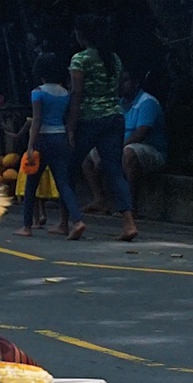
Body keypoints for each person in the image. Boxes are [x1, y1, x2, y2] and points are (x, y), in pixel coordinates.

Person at [68, 14, 137, 242]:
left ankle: (71, 220)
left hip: (89, 118)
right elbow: (115, 88)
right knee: (114, 170)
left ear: (82, 35)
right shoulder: (113, 58)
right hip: (114, 117)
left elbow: (77, 94)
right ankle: (128, 223)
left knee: (69, 166)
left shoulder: (80, 60)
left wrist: (70, 126)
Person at [20, 53, 83, 240]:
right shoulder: (65, 93)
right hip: (61, 138)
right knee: (63, 183)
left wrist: (30, 146)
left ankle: (26, 226)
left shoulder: (37, 92)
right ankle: (77, 220)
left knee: (31, 184)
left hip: (43, 139)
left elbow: (37, 120)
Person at [121, 68, 167, 198]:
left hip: (151, 150)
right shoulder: (120, 104)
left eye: (126, 80)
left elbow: (140, 133)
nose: (121, 84)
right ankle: (100, 199)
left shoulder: (147, 102)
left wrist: (117, 148)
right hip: (122, 146)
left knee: (129, 152)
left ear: (136, 83)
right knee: (90, 154)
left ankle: (131, 204)